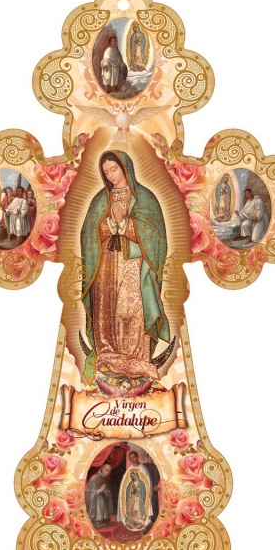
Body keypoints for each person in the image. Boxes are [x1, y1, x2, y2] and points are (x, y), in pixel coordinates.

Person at [80, 151, 170, 384]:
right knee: (107, 308)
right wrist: (109, 225)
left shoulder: (144, 198)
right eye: (106, 172)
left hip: (133, 264)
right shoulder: (101, 199)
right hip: (106, 264)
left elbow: (155, 235)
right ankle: (108, 354)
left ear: (125, 168)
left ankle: (136, 358)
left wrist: (126, 224)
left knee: (130, 310)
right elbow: (88, 233)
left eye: (114, 169)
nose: (110, 175)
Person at [117, 450, 157, 531]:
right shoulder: (130, 469)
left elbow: (148, 480)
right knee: (131, 508)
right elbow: (126, 484)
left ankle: (140, 523)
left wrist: (150, 490)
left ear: (137, 457)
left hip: (139, 497)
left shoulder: (143, 468)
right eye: (130, 458)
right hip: (132, 497)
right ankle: (131, 522)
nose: (132, 459)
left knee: (138, 509)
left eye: (133, 457)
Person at [85, 463, 112, 528]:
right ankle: (96, 522)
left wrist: (106, 491)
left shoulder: (105, 478)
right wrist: (100, 490)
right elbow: (89, 493)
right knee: (98, 515)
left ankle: (102, 521)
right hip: (96, 501)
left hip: (103, 501)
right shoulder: (94, 477)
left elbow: (107, 491)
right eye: (106, 470)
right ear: (102, 469)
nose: (108, 472)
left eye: (109, 471)